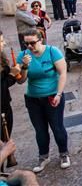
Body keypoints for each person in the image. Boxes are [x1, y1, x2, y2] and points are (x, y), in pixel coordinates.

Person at [16, 29, 70, 172]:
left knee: (57, 127)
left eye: (32, 43)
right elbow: (21, 81)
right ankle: (43, 156)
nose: (29, 46)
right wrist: (25, 66)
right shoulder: (23, 56)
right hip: (33, 98)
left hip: (52, 95)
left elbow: (63, 73)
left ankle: (64, 153)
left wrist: (59, 94)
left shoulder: (53, 52)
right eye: (26, 43)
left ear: (41, 40)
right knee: (40, 130)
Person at [1, 31, 21, 144]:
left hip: (5, 105)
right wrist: (11, 75)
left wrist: (18, 70)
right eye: (1, 41)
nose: (4, 44)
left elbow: (7, 82)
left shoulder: (1, 57)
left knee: (6, 138)